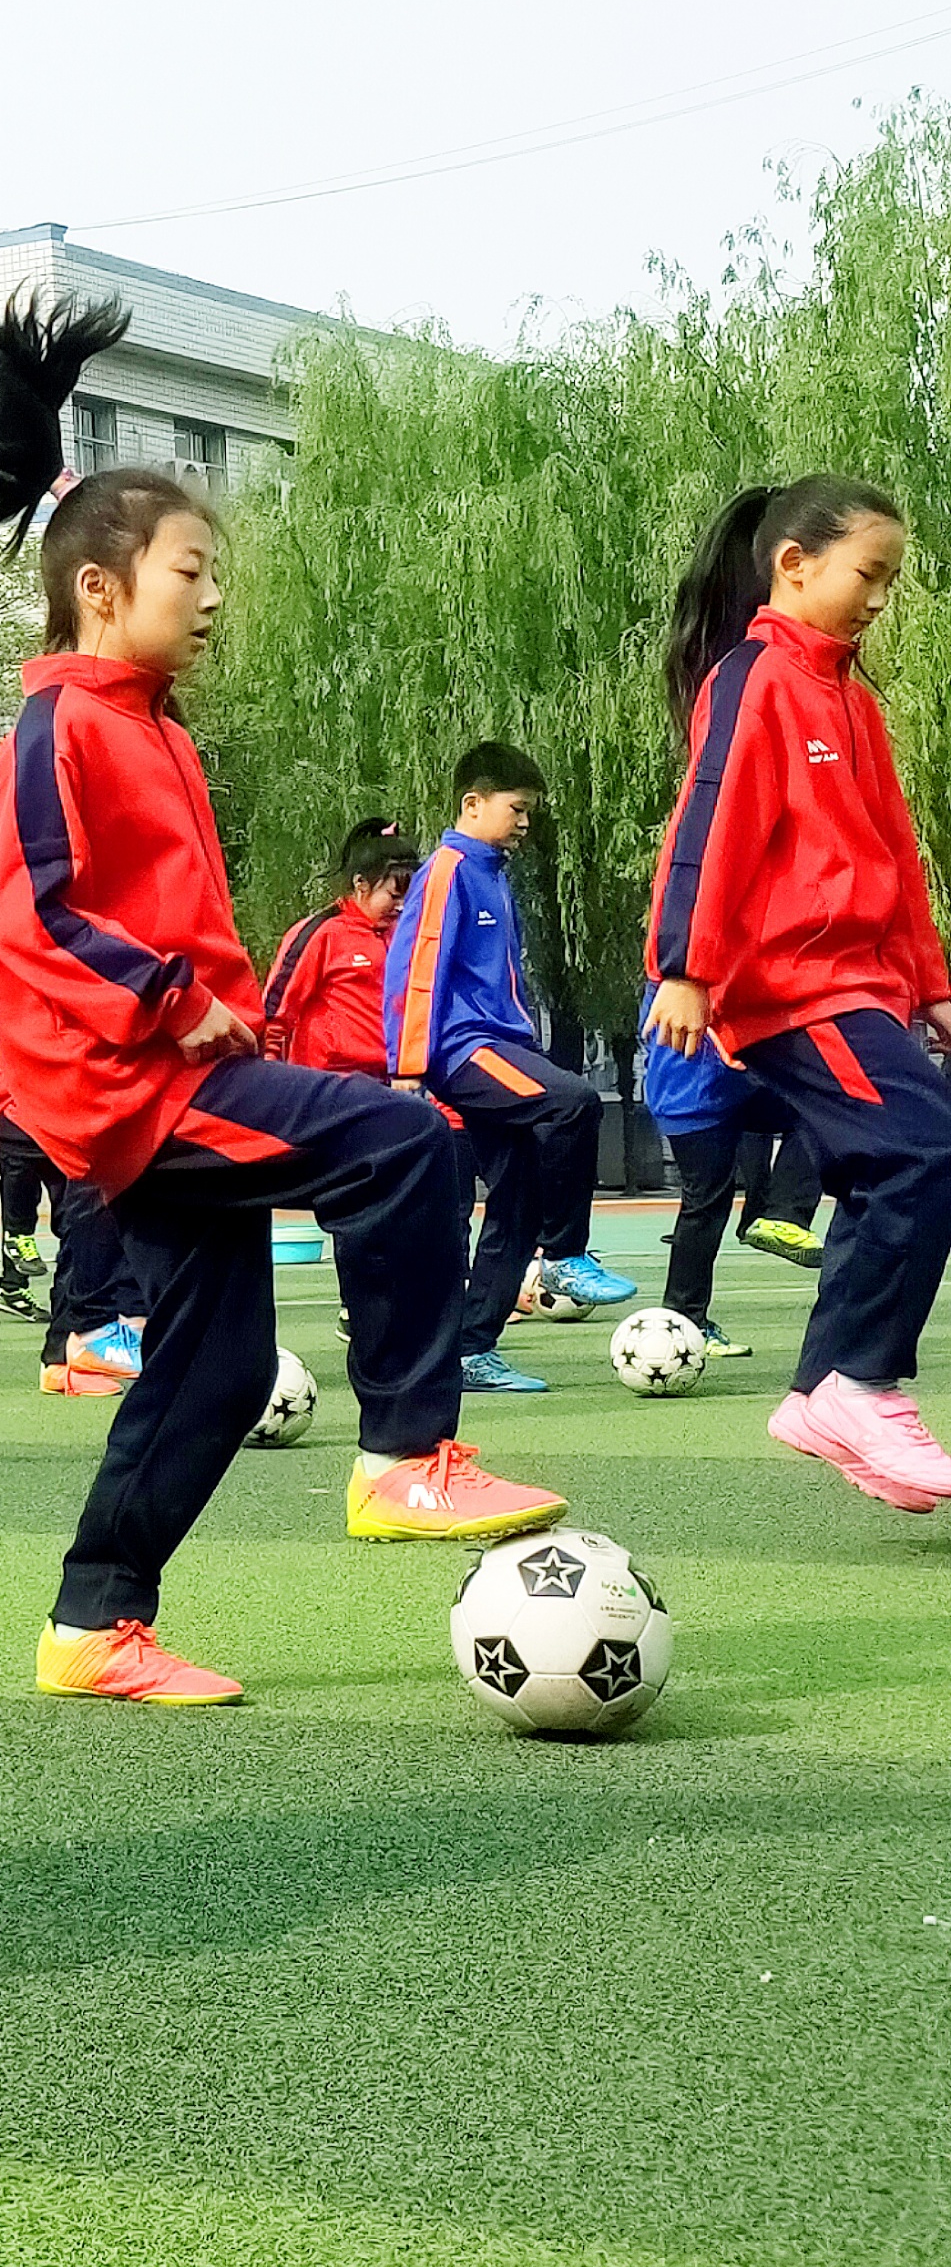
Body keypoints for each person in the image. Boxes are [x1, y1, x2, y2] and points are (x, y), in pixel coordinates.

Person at [0, 295, 558, 1709]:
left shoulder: (147, 730)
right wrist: (164, 995)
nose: (209, 597)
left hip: (157, 1083)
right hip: (126, 1091)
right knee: (404, 1142)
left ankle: (90, 1626)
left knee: (209, 1374)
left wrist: (198, 996)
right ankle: (403, 1455)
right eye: (188, 570)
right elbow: (29, 913)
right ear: (102, 586)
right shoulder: (55, 731)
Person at [647, 475, 951, 1509]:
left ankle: (822, 1388)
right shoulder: (753, 678)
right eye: (866, 573)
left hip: (859, 983)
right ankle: (859, 1381)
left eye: (887, 580)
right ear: (793, 564)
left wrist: (930, 982)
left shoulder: (850, 701)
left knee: (885, 1167)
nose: (876, 596)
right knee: (921, 1145)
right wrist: (683, 964)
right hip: (787, 985)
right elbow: (707, 819)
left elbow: (892, 857)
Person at [386, 743, 641, 1392]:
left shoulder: (494, 871)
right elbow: (416, 970)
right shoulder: (447, 868)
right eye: (516, 808)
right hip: (461, 1048)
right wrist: (407, 1067)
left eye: (528, 810)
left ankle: (472, 1348)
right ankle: (562, 1256)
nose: (525, 821)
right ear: (472, 803)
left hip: (500, 1045)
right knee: (574, 1101)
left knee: (516, 1197)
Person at [0, 917, 141, 1389]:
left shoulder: (56, 910)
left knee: (85, 1213)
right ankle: (84, 1324)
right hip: (4, 1095)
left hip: (55, 1094)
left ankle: (63, 1359)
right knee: (90, 1197)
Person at [639, 980, 815, 1362]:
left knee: (820, 1109)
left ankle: (782, 1215)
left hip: (730, 1088)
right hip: (692, 1099)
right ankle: (685, 1320)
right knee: (706, 1204)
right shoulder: (680, 972)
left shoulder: (709, 962)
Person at [260, 819, 418, 1077]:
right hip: (331, 1081)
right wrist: (269, 1076)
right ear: (361, 884)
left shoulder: (404, 935)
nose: (401, 906)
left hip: (393, 1081)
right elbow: (274, 1014)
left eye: (408, 898)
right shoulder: (322, 933)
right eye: (393, 896)